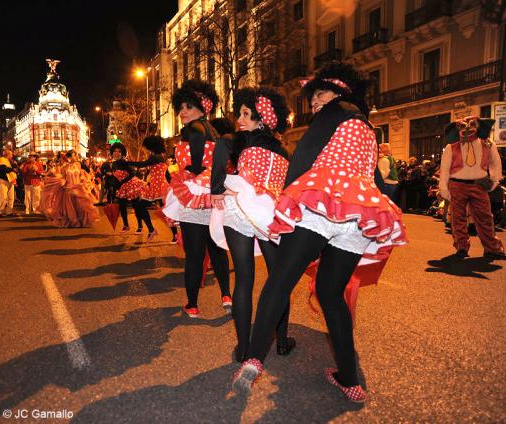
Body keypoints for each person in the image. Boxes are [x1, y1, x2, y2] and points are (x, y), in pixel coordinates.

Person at [231, 62, 407, 402]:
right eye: (311, 100)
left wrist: (287, 198)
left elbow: (306, 155)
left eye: (318, 95)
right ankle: (349, 379)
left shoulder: (335, 110)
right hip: (359, 212)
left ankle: (253, 360)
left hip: (322, 199)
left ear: (338, 91)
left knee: (280, 280)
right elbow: (377, 179)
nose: (313, 104)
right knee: (330, 293)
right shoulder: (368, 127)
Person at [209, 87, 296, 362]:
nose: (240, 119)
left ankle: (244, 350)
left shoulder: (233, 141)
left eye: (247, 114)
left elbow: (217, 174)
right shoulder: (285, 150)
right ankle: (281, 341)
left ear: (262, 119)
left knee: (244, 279)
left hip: (241, 206)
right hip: (271, 211)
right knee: (278, 280)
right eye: (240, 114)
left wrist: (218, 189)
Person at [162, 79, 231, 318]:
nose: (182, 112)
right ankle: (226, 296)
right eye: (181, 107)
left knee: (195, 254)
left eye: (188, 107)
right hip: (213, 194)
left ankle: (192, 304)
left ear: (204, 108)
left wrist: (193, 167)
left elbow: (198, 144)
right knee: (218, 249)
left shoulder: (194, 128)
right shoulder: (213, 130)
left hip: (194, 193)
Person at [439, 116, 505, 259]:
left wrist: (494, 180)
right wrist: (443, 187)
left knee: (485, 218)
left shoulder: (487, 143)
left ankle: (492, 248)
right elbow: (444, 168)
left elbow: (495, 162)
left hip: (479, 184)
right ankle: (461, 247)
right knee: (458, 218)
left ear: (478, 127)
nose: (467, 128)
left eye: (471, 124)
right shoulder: (452, 146)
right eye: (463, 126)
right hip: (457, 184)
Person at [128, 136, 178, 242]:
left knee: (165, 211)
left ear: (151, 146)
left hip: (160, 187)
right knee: (140, 205)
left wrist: (127, 163)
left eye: (146, 147)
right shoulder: (158, 157)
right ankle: (152, 230)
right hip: (156, 186)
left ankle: (175, 235)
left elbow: (142, 164)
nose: (145, 149)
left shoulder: (156, 157)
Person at [0, 149, 16, 217]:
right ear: (8, 155)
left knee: (11, 197)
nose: (12, 156)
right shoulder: (1, 160)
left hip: (10, 180)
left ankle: (9, 212)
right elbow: (4, 170)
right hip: (3, 181)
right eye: (11, 154)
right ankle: (0, 212)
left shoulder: (8, 161)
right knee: (3, 197)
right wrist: (12, 169)